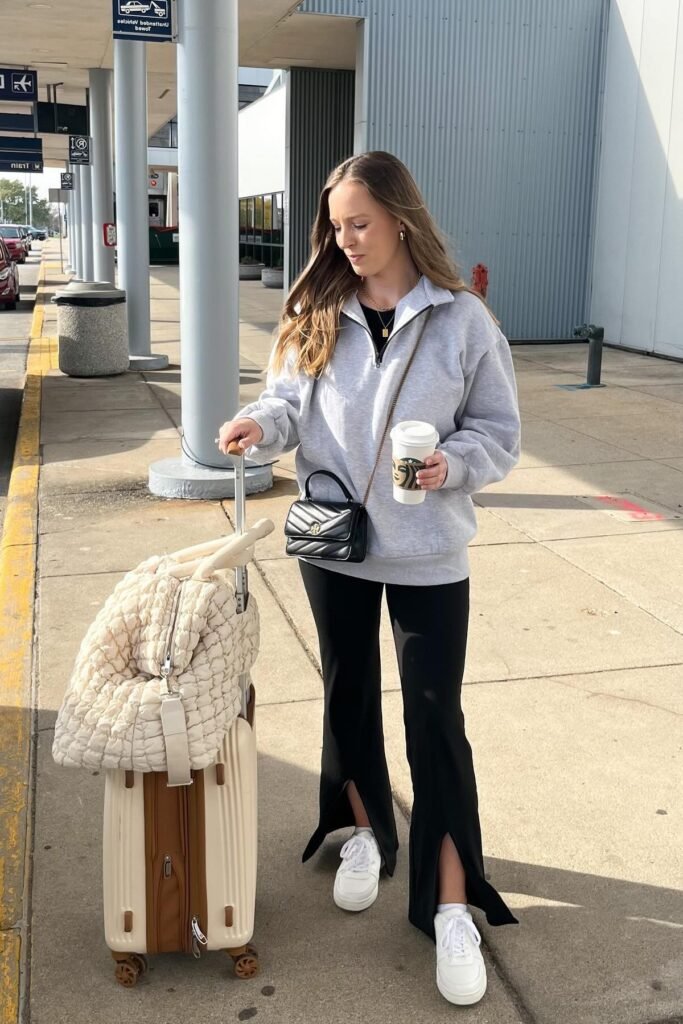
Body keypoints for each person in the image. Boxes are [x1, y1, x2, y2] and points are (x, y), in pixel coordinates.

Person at [218, 151, 521, 1007]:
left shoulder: (462, 321)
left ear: (398, 218)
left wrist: (450, 466)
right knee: (345, 693)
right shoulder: (313, 305)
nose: (345, 240)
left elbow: (498, 430)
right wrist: (254, 423)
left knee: (434, 719)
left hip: (428, 551)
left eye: (359, 223)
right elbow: (286, 405)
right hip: (334, 543)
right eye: (335, 225)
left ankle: (451, 904)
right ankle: (362, 832)